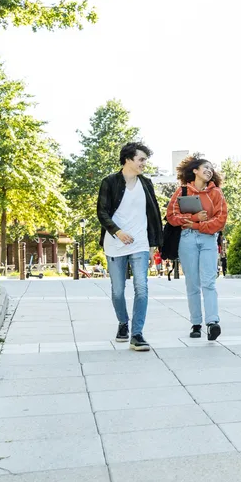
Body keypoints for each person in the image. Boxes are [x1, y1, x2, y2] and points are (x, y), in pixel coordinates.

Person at [96, 142, 163, 351]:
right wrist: (117, 231)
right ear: (128, 160)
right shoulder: (109, 182)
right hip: (115, 243)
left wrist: (153, 245)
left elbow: (153, 215)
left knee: (141, 288)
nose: (144, 164)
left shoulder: (146, 184)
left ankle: (137, 334)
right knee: (117, 291)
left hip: (140, 243)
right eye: (141, 159)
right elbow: (102, 212)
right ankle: (123, 322)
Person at [166, 155, 228, 341]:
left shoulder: (216, 193)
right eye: (205, 168)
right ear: (195, 170)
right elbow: (171, 216)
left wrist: (197, 225)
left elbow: (220, 220)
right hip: (187, 240)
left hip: (208, 238)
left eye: (211, 169)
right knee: (192, 283)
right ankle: (196, 323)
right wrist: (194, 219)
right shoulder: (182, 191)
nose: (209, 171)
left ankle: (212, 322)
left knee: (209, 281)